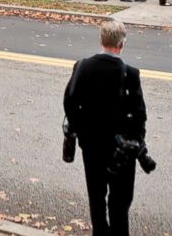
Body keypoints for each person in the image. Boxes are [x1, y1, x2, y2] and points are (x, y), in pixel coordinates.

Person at [63, 20, 147, 236]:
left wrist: (81, 131)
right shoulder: (130, 74)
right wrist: (138, 142)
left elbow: (70, 103)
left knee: (96, 195)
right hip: (121, 149)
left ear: (101, 41)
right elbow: (139, 114)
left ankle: (100, 231)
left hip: (91, 145)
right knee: (120, 200)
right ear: (122, 44)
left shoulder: (82, 66)